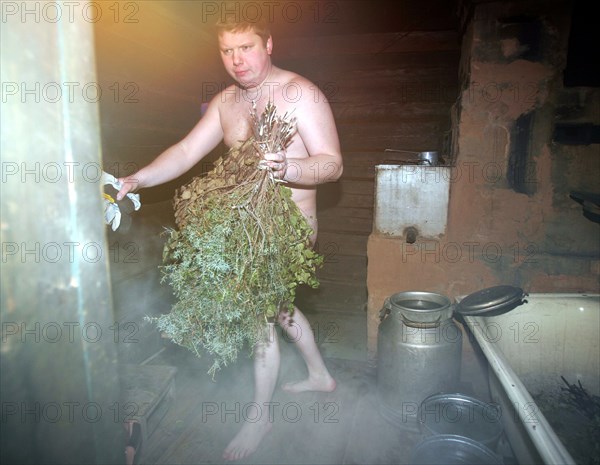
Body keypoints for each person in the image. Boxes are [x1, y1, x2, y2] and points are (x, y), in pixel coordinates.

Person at [116, 15, 342, 462]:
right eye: (227, 51)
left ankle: (261, 417)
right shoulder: (226, 103)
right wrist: (138, 179)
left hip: (287, 232)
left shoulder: (302, 95)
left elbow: (332, 163)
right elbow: (184, 151)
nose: (237, 60)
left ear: (269, 43)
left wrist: (289, 169)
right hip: (241, 228)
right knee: (278, 308)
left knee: (258, 314)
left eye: (247, 47)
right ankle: (320, 376)